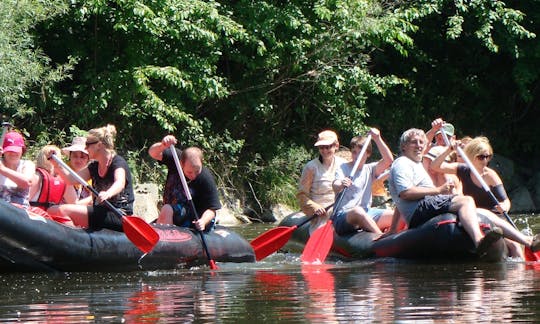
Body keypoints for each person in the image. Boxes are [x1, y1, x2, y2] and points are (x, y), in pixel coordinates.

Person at [387, 126, 505, 255]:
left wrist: (393, 229)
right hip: (419, 210)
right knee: (466, 201)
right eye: (414, 142)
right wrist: (438, 190)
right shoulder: (402, 163)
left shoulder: (415, 163)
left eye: (421, 142)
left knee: (468, 205)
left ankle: (523, 241)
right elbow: (405, 193)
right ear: (404, 146)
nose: (419, 145)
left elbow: (399, 202)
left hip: (424, 207)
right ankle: (478, 241)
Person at [431, 136, 540, 258]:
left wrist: (503, 207)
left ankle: (521, 271)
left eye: (488, 157)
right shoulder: (462, 169)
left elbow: (505, 201)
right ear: (472, 156)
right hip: (471, 214)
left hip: (494, 216)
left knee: (514, 245)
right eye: (481, 157)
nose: (485, 161)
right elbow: (435, 166)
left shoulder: (490, 175)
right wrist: (449, 150)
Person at [49, 125, 134, 231]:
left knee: (61, 211)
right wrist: (57, 165)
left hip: (118, 214)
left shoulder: (117, 162)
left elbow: (120, 183)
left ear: (99, 145)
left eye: (88, 145)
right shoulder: (94, 166)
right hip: (99, 212)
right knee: (53, 210)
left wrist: (108, 193)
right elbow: (71, 179)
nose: (85, 148)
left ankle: (76, 239)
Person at [331, 128, 397, 236]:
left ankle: (397, 237)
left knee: (396, 215)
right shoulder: (343, 168)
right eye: (354, 152)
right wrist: (341, 184)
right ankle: (381, 238)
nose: (357, 156)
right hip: (344, 215)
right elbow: (335, 185)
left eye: (361, 153)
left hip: (367, 212)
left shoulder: (370, 169)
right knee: (358, 211)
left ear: (368, 154)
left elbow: (389, 160)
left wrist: (378, 138)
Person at [148, 135, 221, 231]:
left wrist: (203, 221)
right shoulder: (175, 159)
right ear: (181, 164)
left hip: (195, 217)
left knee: (167, 209)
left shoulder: (205, 177)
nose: (194, 175)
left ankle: (167, 237)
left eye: (197, 170)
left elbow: (212, 209)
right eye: (190, 172)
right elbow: (153, 153)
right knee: (165, 212)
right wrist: (163, 145)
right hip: (176, 213)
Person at [297, 130, 347, 229]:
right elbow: (302, 195)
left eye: (328, 147)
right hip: (320, 214)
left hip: (340, 209)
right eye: (321, 147)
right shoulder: (311, 167)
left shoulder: (344, 164)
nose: (324, 150)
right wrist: (314, 207)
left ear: (336, 146)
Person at [0, 131, 35, 207]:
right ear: (3, 151)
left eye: (16, 150)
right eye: (10, 150)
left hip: (20, 213)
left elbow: (26, 183)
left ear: (22, 150)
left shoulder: (27, 164)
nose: (13, 153)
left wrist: (2, 169)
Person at [62, 137, 92, 205]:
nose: (78, 160)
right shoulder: (63, 173)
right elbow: (74, 205)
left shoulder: (91, 176)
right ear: (70, 157)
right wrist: (93, 197)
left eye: (82, 157)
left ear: (88, 159)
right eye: (75, 156)